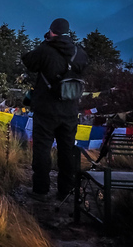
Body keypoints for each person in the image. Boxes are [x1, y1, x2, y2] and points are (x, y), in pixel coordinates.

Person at [22, 17, 89, 201]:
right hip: (70, 111)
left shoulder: (45, 50)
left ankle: (41, 190)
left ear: (52, 31)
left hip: (46, 110)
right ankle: (66, 190)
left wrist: (45, 42)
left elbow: (28, 61)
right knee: (67, 151)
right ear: (68, 33)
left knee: (43, 150)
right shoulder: (80, 53)